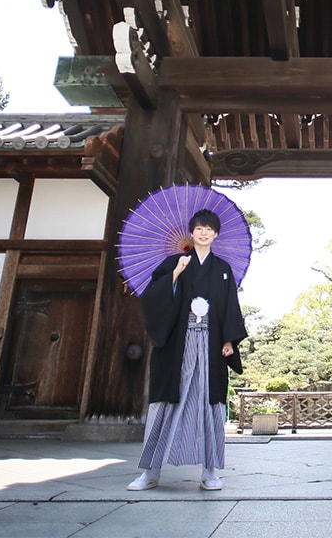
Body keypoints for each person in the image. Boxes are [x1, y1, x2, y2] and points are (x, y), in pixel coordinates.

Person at [127, 208, 248, 492]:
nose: (204, 233)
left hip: (210, 341)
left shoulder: (223, 270)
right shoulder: (174, 262)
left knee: (210, 404)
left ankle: (209, 471)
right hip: (177, 345)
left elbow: (231, 306)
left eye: (209, 229)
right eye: (199, 229)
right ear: (191, 233)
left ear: (216, 234)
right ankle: (150, 471)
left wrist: (229, 340)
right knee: (165, 403)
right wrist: (174, 275)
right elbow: (152, 297)